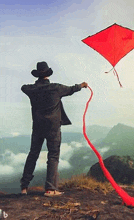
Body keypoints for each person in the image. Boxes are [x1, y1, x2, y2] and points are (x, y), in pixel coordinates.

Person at [20, 61, 88, 196]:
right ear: (47, 74)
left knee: (33, 154)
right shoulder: (56, 88)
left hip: (38, 127)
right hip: (53, 127)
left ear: (37, 75)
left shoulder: (32, 90)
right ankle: (50, 189)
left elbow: (23, 87)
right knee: (53, 155)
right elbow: (72, 89)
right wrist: (82, 85)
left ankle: (24, 187)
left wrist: (36, 86)